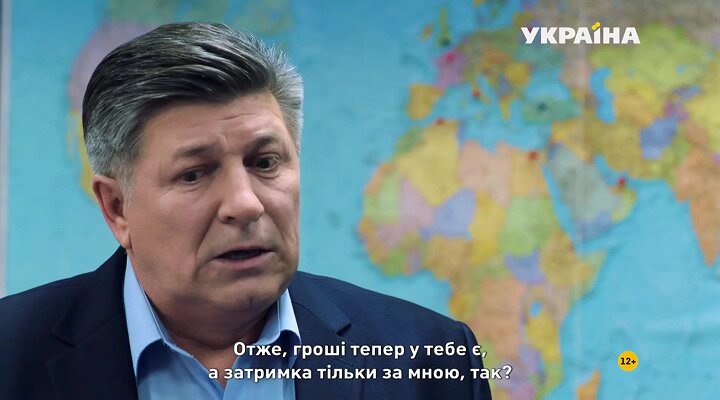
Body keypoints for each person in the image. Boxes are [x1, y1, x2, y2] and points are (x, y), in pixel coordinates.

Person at [0, 22, 492, 399]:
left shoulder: (428, 361)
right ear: (117, 208)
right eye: (194, 174)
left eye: (265, 162)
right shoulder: (11, 355)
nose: (245, 203)